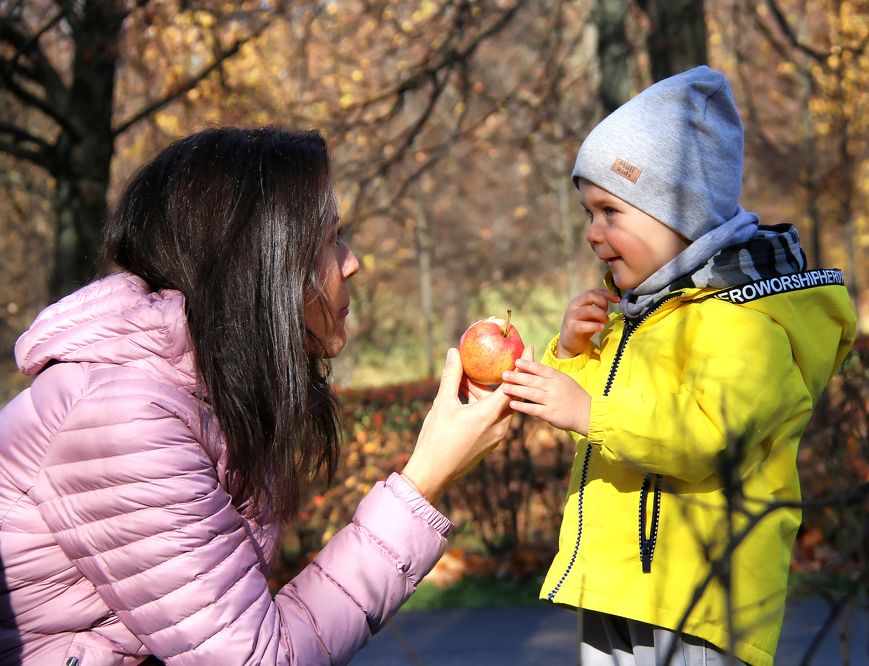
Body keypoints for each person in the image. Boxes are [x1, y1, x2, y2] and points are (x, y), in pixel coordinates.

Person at [0, 127, 521, 665]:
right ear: (259, 266)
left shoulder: (203, 392)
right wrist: (425, 479)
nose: (352, 262)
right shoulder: (122, 418)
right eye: (330, 239)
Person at [501, 66, 857, 666]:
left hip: (699, 600)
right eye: (588, 214)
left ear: (680, 212)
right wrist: (573, 357)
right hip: (619, 585)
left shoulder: (747, 320)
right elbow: (612, 429)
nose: (593, 233)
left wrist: (586, 410)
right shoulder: (646, 313)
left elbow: (704, 434)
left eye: (610, 211)